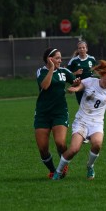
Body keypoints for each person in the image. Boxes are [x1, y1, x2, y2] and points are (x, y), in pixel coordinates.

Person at [52, 60, 106, 181]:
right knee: (73, 150)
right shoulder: (90, 81)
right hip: (82, 121)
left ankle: (90, 166)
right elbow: (80, 86)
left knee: (97, 144)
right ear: (101, 76)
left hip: (97, 123)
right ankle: (58, 171)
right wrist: (75, 89)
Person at [34, 47, 80, 179]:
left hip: (60, 112)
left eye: (60, 58)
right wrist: (51, 69)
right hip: (43, 113)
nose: (60, 60)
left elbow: (76, 83)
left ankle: (62, 167)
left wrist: (76, 84)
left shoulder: (64, 71)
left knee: (60, 142)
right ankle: (53, 170)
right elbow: (45, 86)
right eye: (57, 58)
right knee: (43, 149)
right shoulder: (41, 71)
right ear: (50, 59)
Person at [67, 40, 97, 105]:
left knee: (90, 104)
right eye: (80, 48)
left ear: (87, 49)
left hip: (90, 85)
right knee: (81, 104)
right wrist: (75, 73)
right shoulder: (74, 60)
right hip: (79, 85)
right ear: (78, 50)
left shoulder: (92, 59)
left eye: (83, 47)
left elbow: (95, 70)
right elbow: (67, 74)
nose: (82, 49)